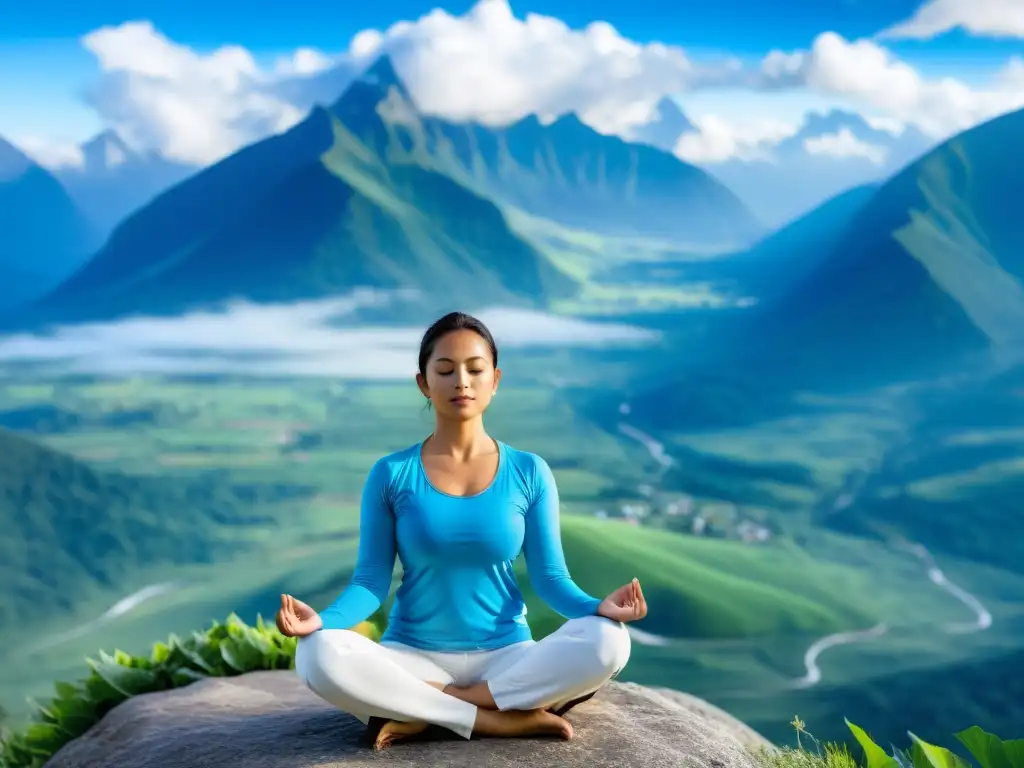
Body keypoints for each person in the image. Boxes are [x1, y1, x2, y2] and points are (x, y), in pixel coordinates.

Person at [275, 311, 648, 750]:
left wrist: (597, 608)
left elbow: (551, 580)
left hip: (507, 658)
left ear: (496, 379)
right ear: (423, 383)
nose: (462, 382)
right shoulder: (391, 473)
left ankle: (430, 709)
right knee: (317, 654)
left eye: (475, 369)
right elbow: (370, 583)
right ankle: (496, 719)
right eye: (446, 370)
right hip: (413, 658)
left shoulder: (530, 471)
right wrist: (324, 620)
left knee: (608, 642)